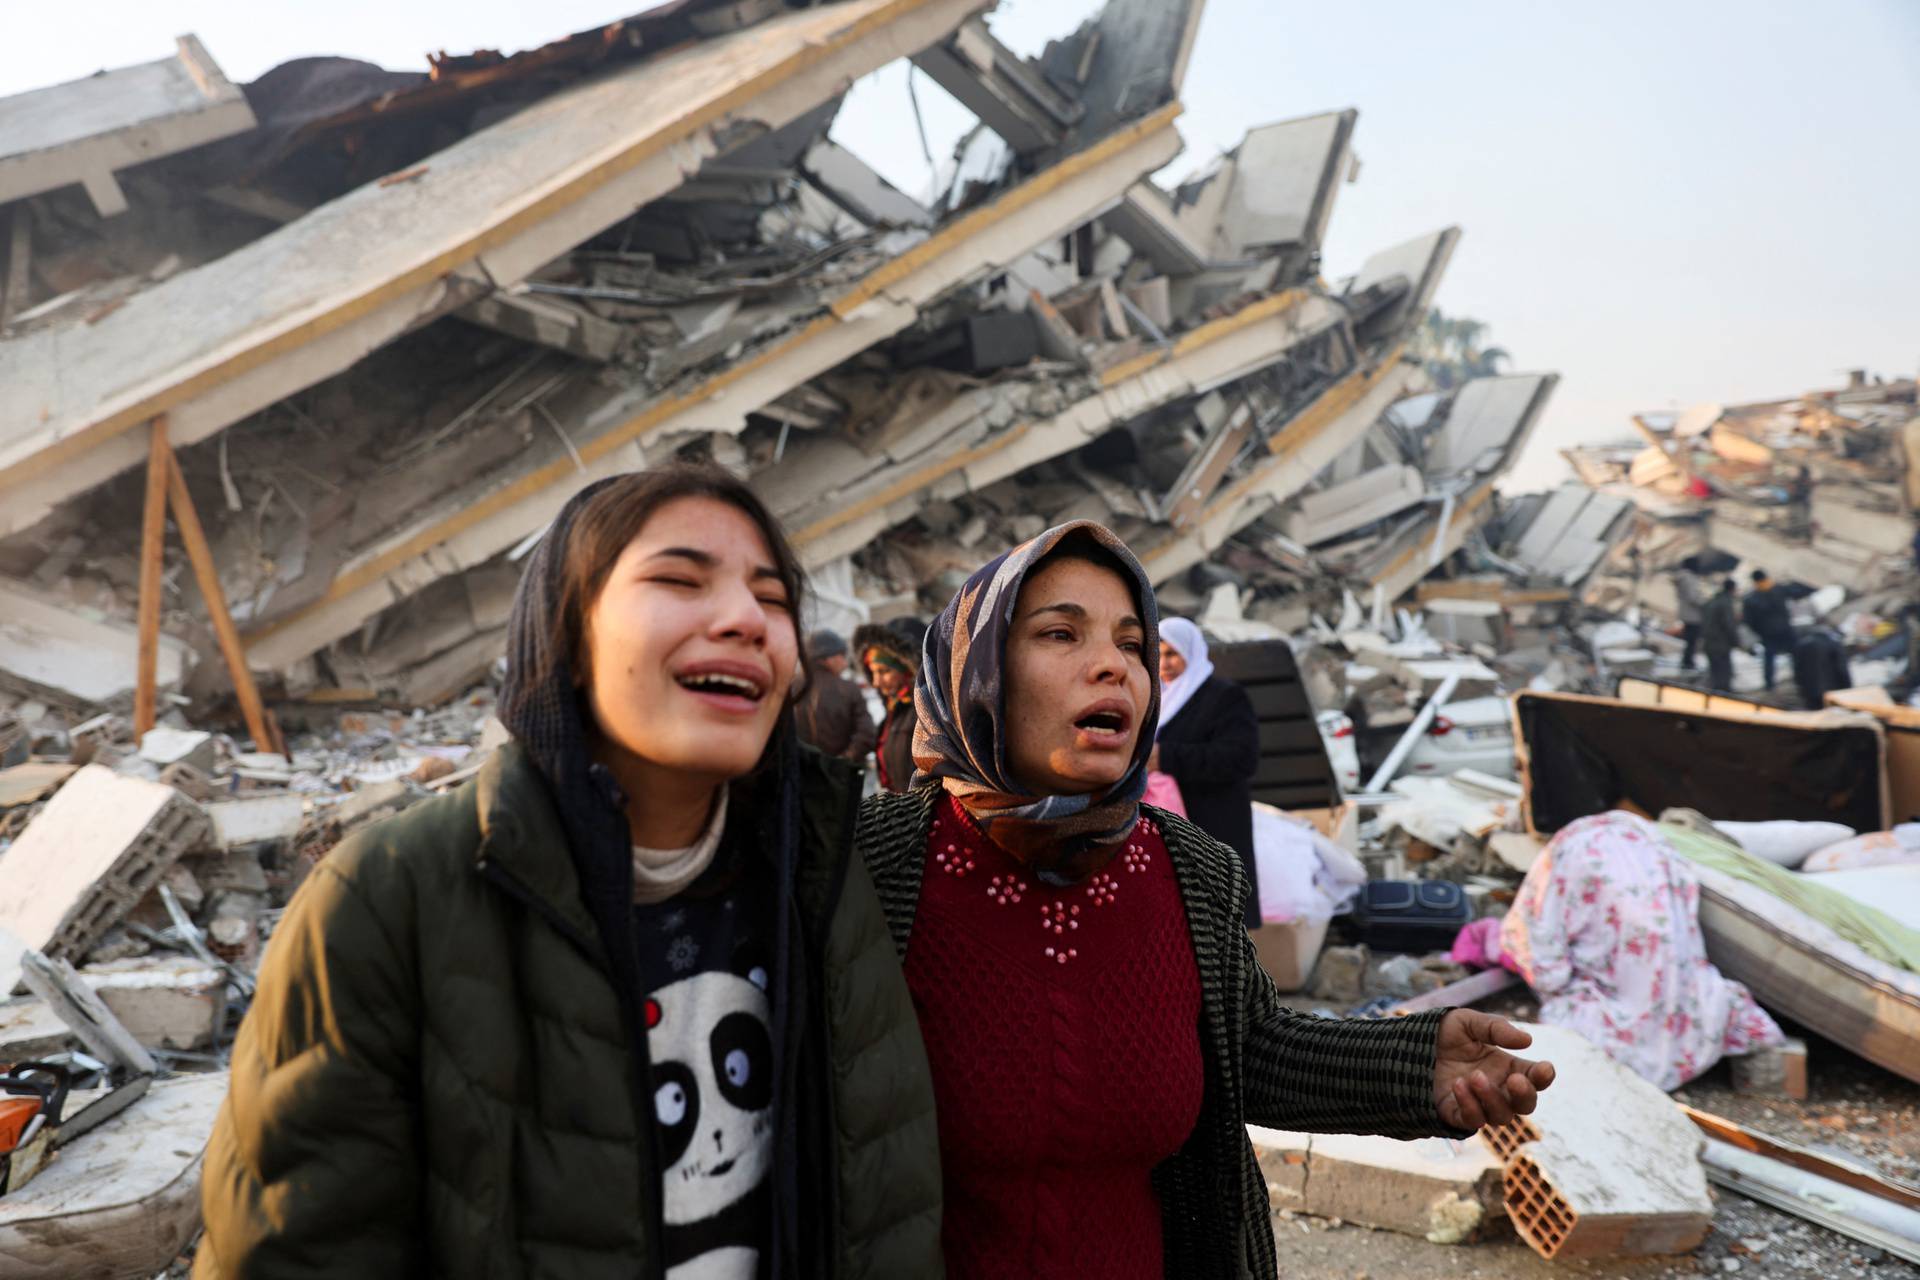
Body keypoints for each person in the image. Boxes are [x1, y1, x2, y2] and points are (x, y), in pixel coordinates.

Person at [196, 464, 942, 1279]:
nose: (743, 620)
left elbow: (884, 1214)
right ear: (568, 633)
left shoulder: (829, 881)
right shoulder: (387, 899)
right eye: (678, 579)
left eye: (771, 598)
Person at [859, 520, 1555, 1280]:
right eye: (1061, 634)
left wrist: (1417, 1067)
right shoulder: (866, 865)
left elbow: (1244, 1050)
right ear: (975, 669)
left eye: (1132, 645)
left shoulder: (1189, 868)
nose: (1112, 667)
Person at [1150, 617, 1261, 927]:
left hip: (1214, 821)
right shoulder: (1155, 698)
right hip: (1170, 824)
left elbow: (1242, 758)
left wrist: (1167, 757)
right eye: (1157, 654)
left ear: (1191, 651)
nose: (1164, 663)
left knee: (1218, 918)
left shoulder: (1223, 697)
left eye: (1172, 653)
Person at [855, 619, 919, 794]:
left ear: (907, 669)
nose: (875, 682)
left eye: (884, 671)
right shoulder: (894, 711)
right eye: (872, 672)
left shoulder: (924, 714)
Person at [796, 629, 877, 762]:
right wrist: (842, 762)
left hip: (799, 775)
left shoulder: (788, 689)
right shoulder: (848, 689)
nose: (845, 663)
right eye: (841, 655)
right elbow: (867, 735)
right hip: (840, 778)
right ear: (827, 658)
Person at [1741, 569, 1796, 692]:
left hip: (1768, 633)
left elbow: (1748, 621)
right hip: (1784, 629)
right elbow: (1796, 593)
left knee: (1769, 659)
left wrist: (1760, 632)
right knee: (1794, 654)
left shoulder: (1751, 598)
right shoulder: (1778, 590)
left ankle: (1769, 685)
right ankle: (1799, 679)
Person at [1791, 625, 1852, 711]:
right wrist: (1849, 689)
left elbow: (1797, 672)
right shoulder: (1832, 643)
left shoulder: (1800, 646)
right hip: (1834, 691)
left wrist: (1802, 691)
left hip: (1811, 693)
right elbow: (1842, 669)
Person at [1703, 576, 1740, 692]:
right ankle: (1723, 696)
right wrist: (1736, 641)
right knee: (1723, 672)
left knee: (1715, 670)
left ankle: (1715, 693)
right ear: (1733, 589)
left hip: (1709, 640)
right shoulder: (1726, 603)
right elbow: (1728, 624)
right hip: (1720, 642)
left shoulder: (1712, 601)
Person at [1672, 558, 1705, 671]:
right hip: (1693, 614)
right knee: (1692, 640)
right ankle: (1688, 662)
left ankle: (1687, 661)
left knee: (1690, 640)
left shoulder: (1683, 578)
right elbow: (1693, 597)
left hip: (1687, 613)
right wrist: (1704, 603)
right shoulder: (1689, 579)